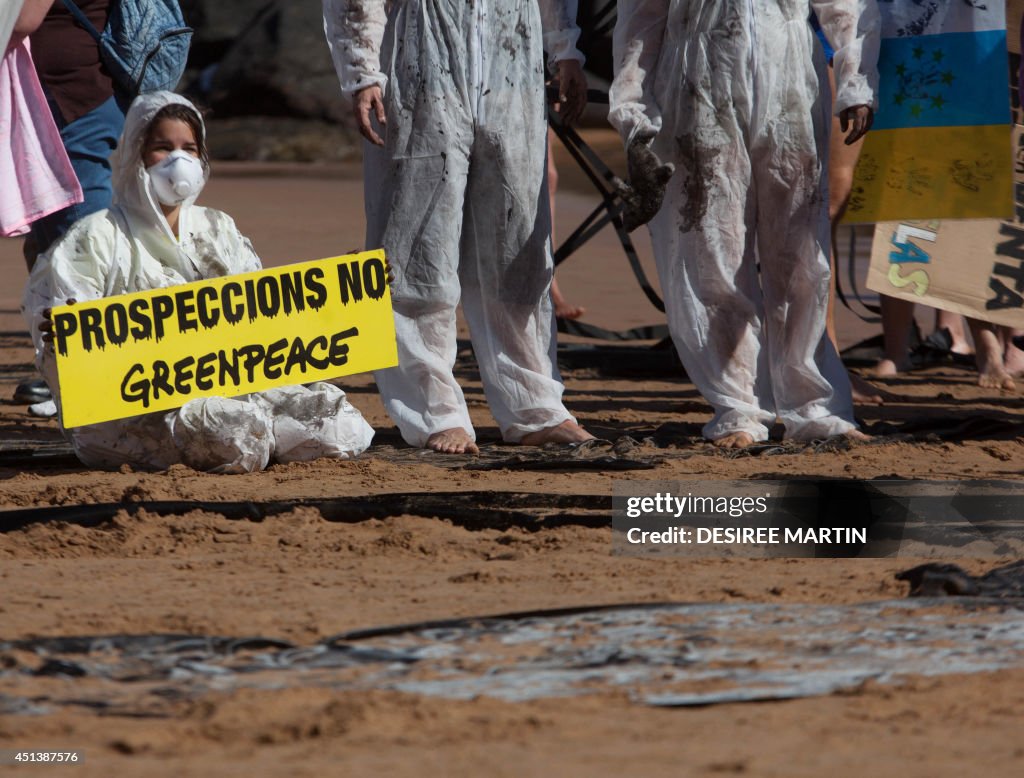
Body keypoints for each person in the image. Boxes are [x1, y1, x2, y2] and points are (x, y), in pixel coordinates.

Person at [24, 91, 375, 473]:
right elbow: (62, 332)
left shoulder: (217, 228)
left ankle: (261, 434)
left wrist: (346, 289)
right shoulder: (95, 237)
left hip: (232, 386)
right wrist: (65, 337)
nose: (179, 159)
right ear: (136, 154)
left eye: (189, 148)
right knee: (231, 431)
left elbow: (267, 318)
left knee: (339, 424)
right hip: (131, 410)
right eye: (162, 147)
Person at [323, 0, 596, 455]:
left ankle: (536, 407)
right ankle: (434, 412)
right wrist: (362, 71)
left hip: (512, 48)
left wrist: (564, 47)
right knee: (414, 245)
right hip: (419, 51)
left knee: (517, 248)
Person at [609, 1, 879, 448]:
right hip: (696, 76)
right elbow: (641, 17)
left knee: (801, 256)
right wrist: (632, 109)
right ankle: (737, 407)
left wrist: (856, 82)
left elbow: (843, 5)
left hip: (789, 75)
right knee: (712, 252)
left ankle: (815, 408)